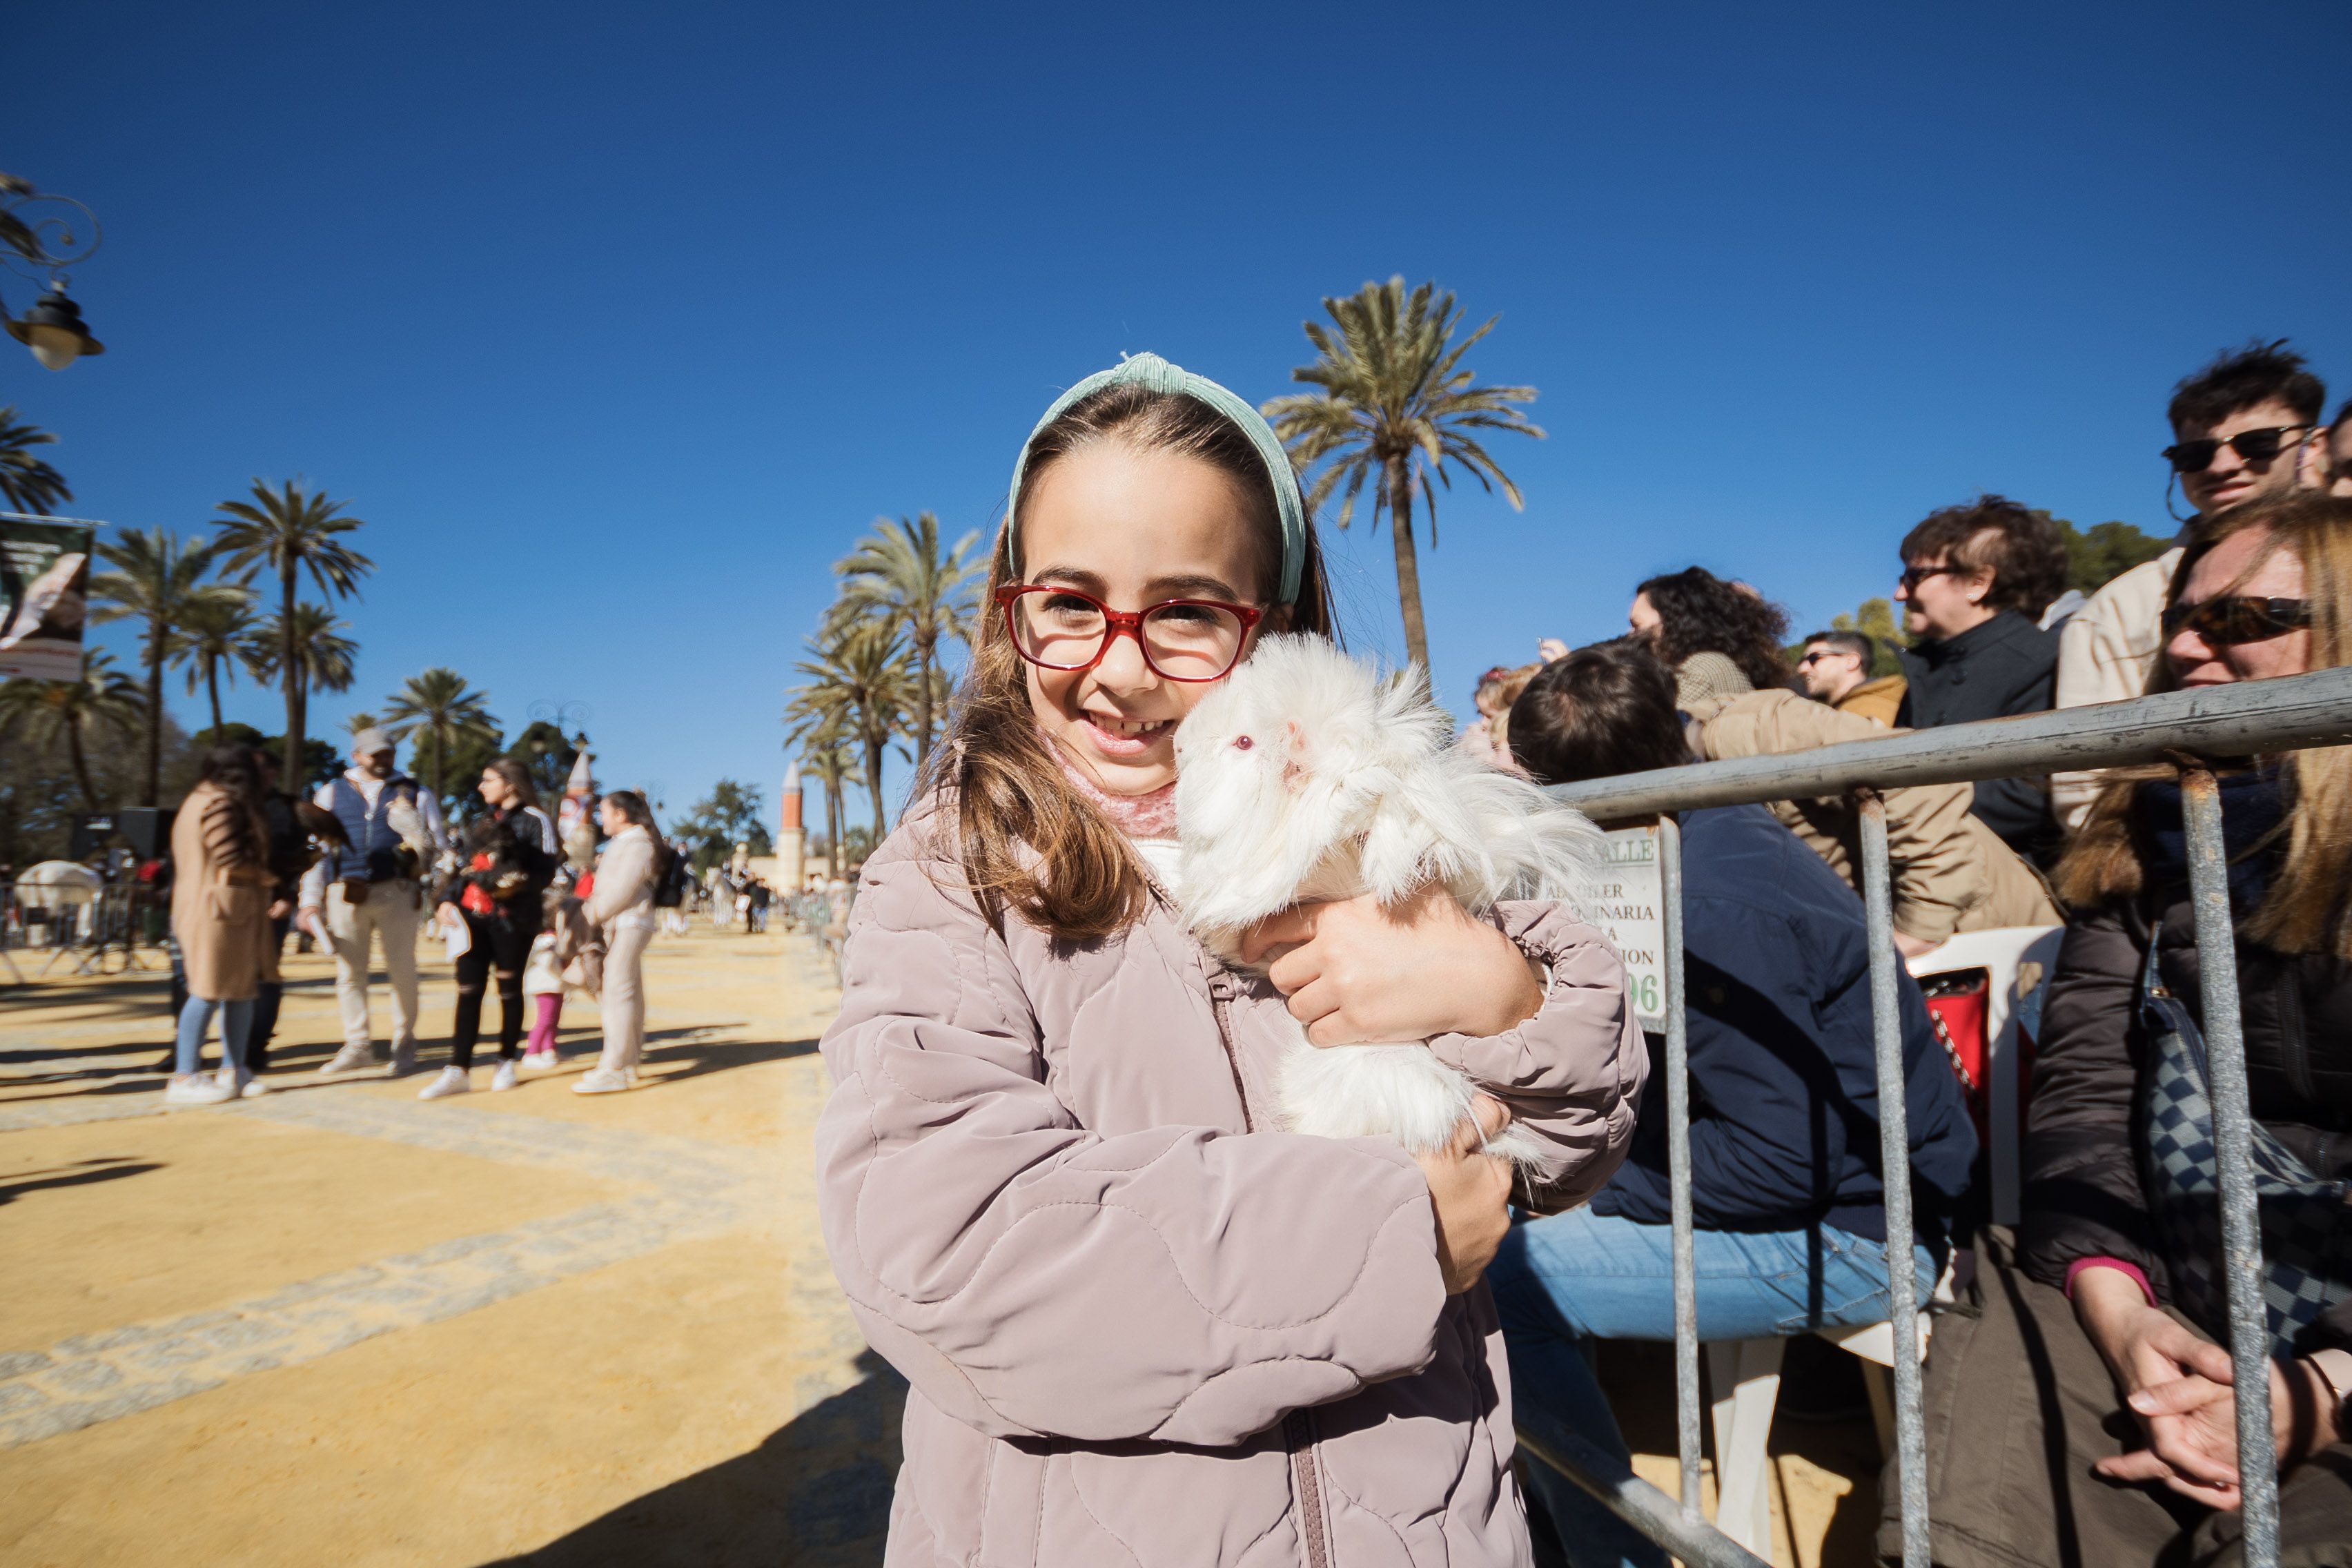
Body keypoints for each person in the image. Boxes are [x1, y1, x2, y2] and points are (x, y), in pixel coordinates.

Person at [814, 353, 1644, 1568]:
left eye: (1189, 610)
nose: (1118, 665)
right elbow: (944, 1248)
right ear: (1013, 608)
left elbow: (1578, 1143)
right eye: (1068, 600)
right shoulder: (951, 880)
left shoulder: (1383, 835)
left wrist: (1503, 999)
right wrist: (1392, 1233)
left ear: (1276, 625)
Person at [1903, 492, 2352, 1565]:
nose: (2190, 646)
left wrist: (2321, 1391)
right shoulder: (2139, 847)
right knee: (1980, 1503)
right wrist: (2125, 1317)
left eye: (2245, 622)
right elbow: (2087, 1103)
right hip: (2168, 1274)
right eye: (2180, 623)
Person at [1490, 641, 1976, 1568]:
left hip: (1868, 1234)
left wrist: (1579, 1180)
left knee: (1502, 1275)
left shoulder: (1707, 896)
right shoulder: (1702, 835)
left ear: (1558, 788)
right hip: (1828, 1197)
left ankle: (1610, 1552)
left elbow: (1776, 1164)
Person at [2052, 342, 2331, 827]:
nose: (2223, 466)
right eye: (2196, 454)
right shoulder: (2117, 607)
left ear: (2315, 444)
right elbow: (2085, 795)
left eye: (2258, 442)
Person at [1678, 652, 2059, 955]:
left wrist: (1914, 934)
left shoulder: (1756, 728)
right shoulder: (1698, 757)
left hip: (1981, 933)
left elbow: (1919, 781)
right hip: (1924, 939)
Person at [1892, 495, 2069, 861]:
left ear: (1977, 583)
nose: (1899, 594)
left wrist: (1898, 801)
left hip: (2004, 886)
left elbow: (2031, 794)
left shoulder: (2041, 663)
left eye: (1915, 577)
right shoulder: (1928, 667)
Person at [300, 729, 449, 1077]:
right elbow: (318, 849)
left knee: (403, 970)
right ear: (356, 756)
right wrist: (310, 900)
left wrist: (431, 880)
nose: (383, 760)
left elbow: (438, 843)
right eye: (375, 754)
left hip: (397, 891)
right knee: (349, 973)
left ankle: (405, 1041)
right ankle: (358, 1045)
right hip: (345, 892)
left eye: (388, 753)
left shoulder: (416, 792)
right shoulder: (331, 792)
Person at [419, 760, 557, 1099]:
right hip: (471, 918)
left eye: (488, 781)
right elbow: (464, 868)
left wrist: (509, 878)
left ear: (510, 783)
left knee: (508, 990)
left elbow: (546, 871)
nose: (481, 787)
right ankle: (458, 1069)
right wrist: (446, 900)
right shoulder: (481, 822)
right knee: (468, 990)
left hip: (513, 918)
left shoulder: (536, 819)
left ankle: (505, 1061)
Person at [164, 746, 279, 1106]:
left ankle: (235, 1069)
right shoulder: (220, 804)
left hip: (222, 907)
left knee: (240, 991)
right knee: (207, 989)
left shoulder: (198, 799)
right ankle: (185, 1074)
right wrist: (270, 875)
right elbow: (228, 856)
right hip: (218, 908)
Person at [576, 789, 664, 1095]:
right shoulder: (628, 842)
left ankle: (614, 1065)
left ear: (621, 815)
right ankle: (627, 1061)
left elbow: (622, 889)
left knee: (617, 990)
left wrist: (589, 916)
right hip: (623, 922)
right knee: (627, 989)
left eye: (604, 812)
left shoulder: (637, 843)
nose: (601, 819)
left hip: (631, 921)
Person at [1627, 566, 1792, 702]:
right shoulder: (1715, 666)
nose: (1629, 635)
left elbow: (1659, 740)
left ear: (1674, 621)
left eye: (1637, 625)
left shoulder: (1700, 673)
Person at [1796, 628, 1904, 724]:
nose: (1802, 669)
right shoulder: (1849, 712)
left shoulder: (1866, 715)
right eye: (1802, 661)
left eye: (1814, 658)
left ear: (1851, 662)